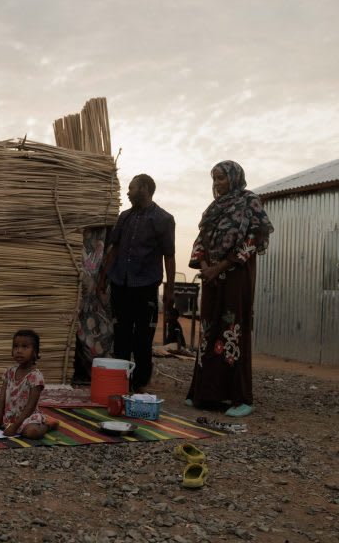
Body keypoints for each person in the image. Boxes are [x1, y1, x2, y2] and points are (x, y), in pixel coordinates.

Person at [186, 161, 273, 418]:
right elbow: (200, 241)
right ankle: (204, 394)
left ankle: (240, 398)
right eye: (214, 178)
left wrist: (220, 267)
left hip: (236, 276)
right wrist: (205, 266)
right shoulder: (213, 208)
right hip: (212, 279)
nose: (217, 183)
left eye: (221, 178)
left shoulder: (249, 202)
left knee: (232, 330)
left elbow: (253, 240)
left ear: (234, 177)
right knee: (209, 332)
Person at [99, 174, 176, 392]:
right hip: (120, 285)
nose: (128, 192)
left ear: (144, 188)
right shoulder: (124, 217)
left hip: (145, 286)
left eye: (131, 188)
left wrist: (169, 289)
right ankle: (121, 382)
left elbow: (169, 255)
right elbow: (113, 249)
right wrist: (103, 278)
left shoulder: (163, 219)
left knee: (143, 338)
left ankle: (140, 383)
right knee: (121, 334)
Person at [0, 330, 50, 439]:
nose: (19, 351)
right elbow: (1, 399)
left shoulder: (35, 376)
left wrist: (15, 427)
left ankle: (48, 425)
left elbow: (30, 407)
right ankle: (2, 422)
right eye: (15, 346)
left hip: (26, 417)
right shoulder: (9, 371)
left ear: (35, 352)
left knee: (31, 432)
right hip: (8, 413)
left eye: (25, 347)